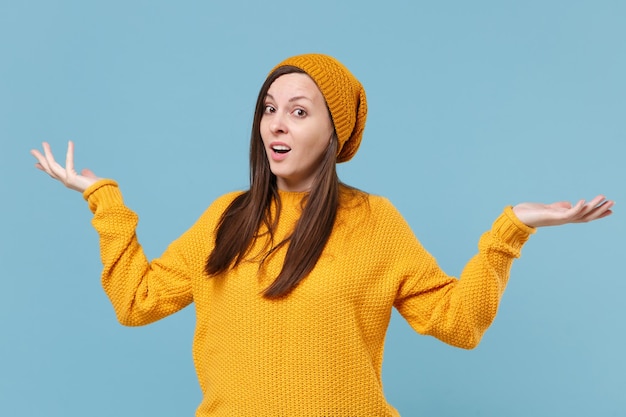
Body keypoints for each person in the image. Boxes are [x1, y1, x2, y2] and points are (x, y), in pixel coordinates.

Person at [30, 53, 613, 416]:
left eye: (300, 111)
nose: (277, 123)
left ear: (336, 130)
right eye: (268, 108)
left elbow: (458, 323)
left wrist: (510, 230)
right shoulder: (226, 218)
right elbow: (136, 302)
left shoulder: (373, 222)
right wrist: (103, 200)